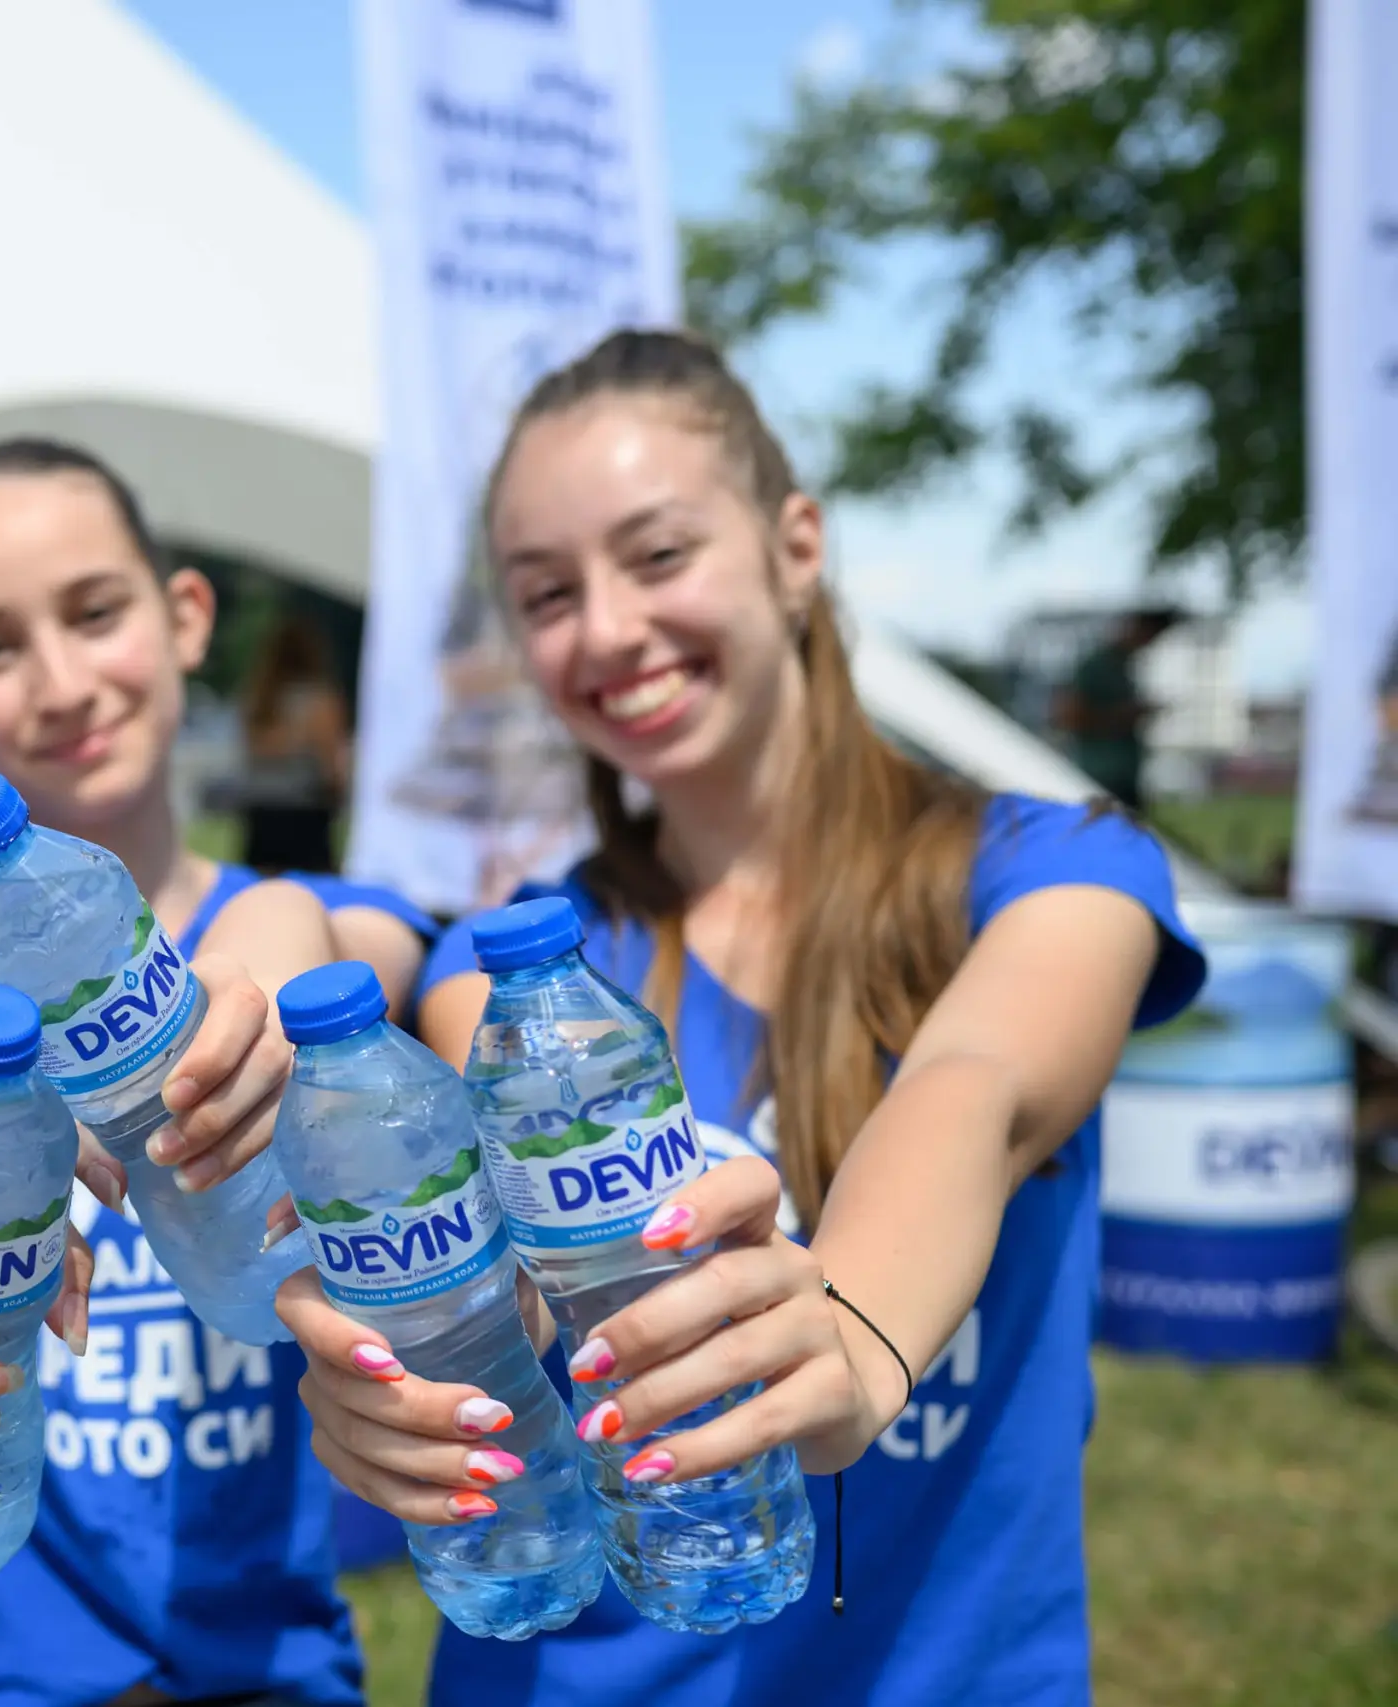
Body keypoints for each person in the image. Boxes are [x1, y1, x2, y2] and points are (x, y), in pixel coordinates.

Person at [271, 330, 1207, 1707]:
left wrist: (851, 1338)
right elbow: (508, 1289)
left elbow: (974, 1085)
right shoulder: (516, 970)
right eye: (547, 592)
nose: (604, 628)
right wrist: (401, 1384)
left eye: (657, 556)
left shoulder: (1058, 872)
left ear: (796, 545)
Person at [0, 438, 432, 1707]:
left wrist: (260, 981)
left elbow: (332, 943)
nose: (61, 683)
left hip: (251, 1669)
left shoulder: (322, 906)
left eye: (93, 613)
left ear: (186, 616)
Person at [234, 613, 351, 875]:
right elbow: (331, 762)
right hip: (304, 814)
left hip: (261, 812)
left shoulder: (259, 697)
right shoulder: (319, 699)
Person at [1053, 605, 1181, 809]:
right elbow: (1069, 716)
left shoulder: (1125, 667)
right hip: (1102, 778)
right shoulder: (1096, 665)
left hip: (1124, 777)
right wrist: (1124, 716)